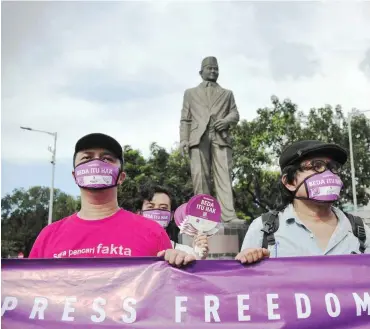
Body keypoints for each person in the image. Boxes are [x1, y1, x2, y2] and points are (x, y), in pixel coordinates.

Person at [29, 133, 196, 267]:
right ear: (75, 176)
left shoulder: (153, 232)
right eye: (87, 158)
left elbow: (165, 296)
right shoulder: (48, 237)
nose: (96, 163)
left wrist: (180, 264)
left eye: (107, 159)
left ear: (121, 176)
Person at [236, 140, 370, 264]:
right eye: (317, 166)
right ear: (289, 182)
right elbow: (246, 285)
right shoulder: (263, 229)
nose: (328, 173)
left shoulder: (359, 230)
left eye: (332, 167)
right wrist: (247, 260)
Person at [179, 56, 240, 222]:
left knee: (224, 176)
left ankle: (228, 216)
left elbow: (235, 114)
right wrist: (184, 139)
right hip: (198, 138)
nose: (213, 71)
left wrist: (226, 121)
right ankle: (203, 217)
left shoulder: (227, 94)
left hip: (220, 136)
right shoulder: (190, 93)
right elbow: (186, 118)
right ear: (201, 72)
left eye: (216, 69)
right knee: (200, 177)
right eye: (210, 68)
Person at [138, 183, 209, 259]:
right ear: (139, 214)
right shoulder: (126, 249)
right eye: (150, 207)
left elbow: (196, 264)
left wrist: (199, 254)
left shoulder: (185, 253)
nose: (157, 212)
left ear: (171, 215)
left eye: (163, 208)